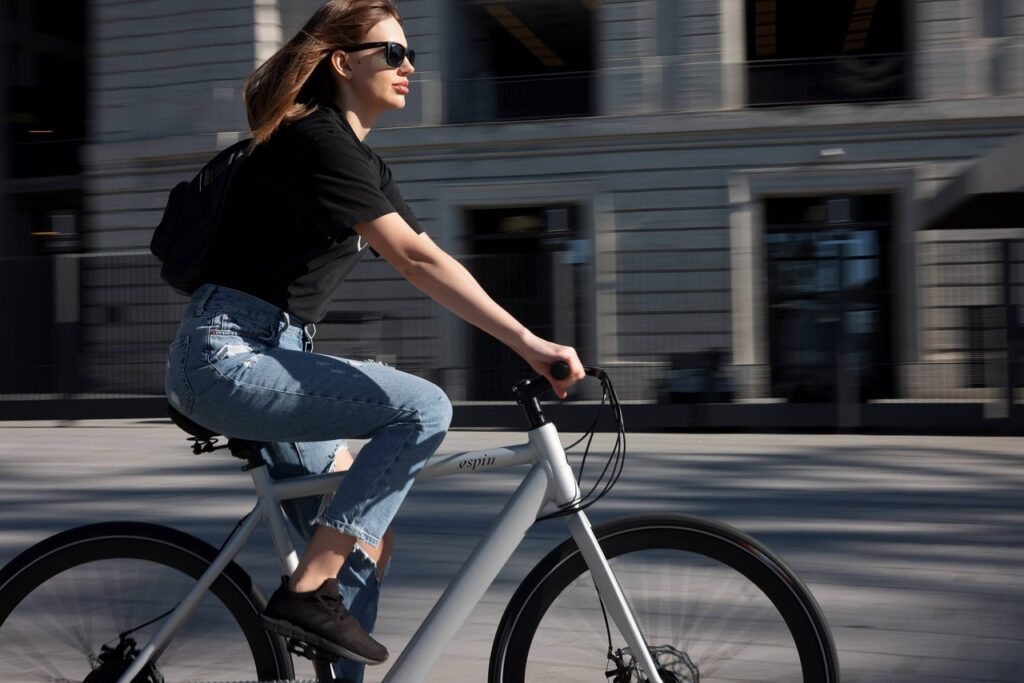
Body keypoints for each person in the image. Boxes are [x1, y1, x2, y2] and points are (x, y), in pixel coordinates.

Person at [163, 1, 584, 681]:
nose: (408, 65)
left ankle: (321, 599)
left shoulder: (356, 159)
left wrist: (523, 338)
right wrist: (531, 342)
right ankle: (306, 591)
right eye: (391, 53)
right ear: (342, 63)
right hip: (228, 354)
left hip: (271, 354)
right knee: (423, 408)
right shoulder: (314, 141)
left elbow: (429, 252)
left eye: (409, 53)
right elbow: (414, 265)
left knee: (363, 543)